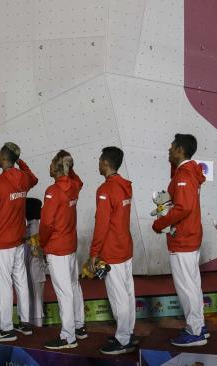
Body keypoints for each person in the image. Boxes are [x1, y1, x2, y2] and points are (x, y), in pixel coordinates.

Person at [152, 134, 208, 346]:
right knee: (193, 285)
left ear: (180, 150)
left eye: (172, 147)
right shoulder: (188, 172)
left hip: (183, 239)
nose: (169, 150)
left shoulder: (184, 175)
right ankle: (199, 326)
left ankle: (194, 332)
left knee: (187, 287)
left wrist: (160, 223)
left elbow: (184, 207)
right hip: (190, 237)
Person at [0, 142, 38, 342]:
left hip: (3, 242)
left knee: (4, 284)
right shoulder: (23, 178)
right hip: (18, 240)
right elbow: (34, 178)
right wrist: (19, 160)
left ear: (4, 159)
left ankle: (6, 329)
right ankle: (24, 323)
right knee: (20, 281)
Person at [89, 146, 136, 355]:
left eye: (100, 160)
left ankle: (123, 340)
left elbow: (102, 224)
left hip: (112, 251)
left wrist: (93, 253)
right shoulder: (126, 186)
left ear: (106, 163)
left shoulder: (105, 189)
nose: (98, 163)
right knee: (127, 294)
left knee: (119, 298)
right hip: (125, 248)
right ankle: (128, 332)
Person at [40, 150, 87, 350]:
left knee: (64, 292)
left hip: (57, 248)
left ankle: (68, 337)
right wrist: (70, 167)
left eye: (52, 163)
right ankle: (79, 327)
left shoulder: (53, 190)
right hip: (70, 245)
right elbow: (79, 181)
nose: (49, 166)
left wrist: (42, 244)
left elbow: (47, 224)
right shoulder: (74, 186)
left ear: (58, 168)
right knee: (74, 286)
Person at [24, 197, 46, 327]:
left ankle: (38, 322)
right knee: (31, 291)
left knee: (36, 292)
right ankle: (32, 320)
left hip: (36, 267)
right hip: (31, 267)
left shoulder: (36, 226)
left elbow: (37, 251)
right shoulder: (29, 226)